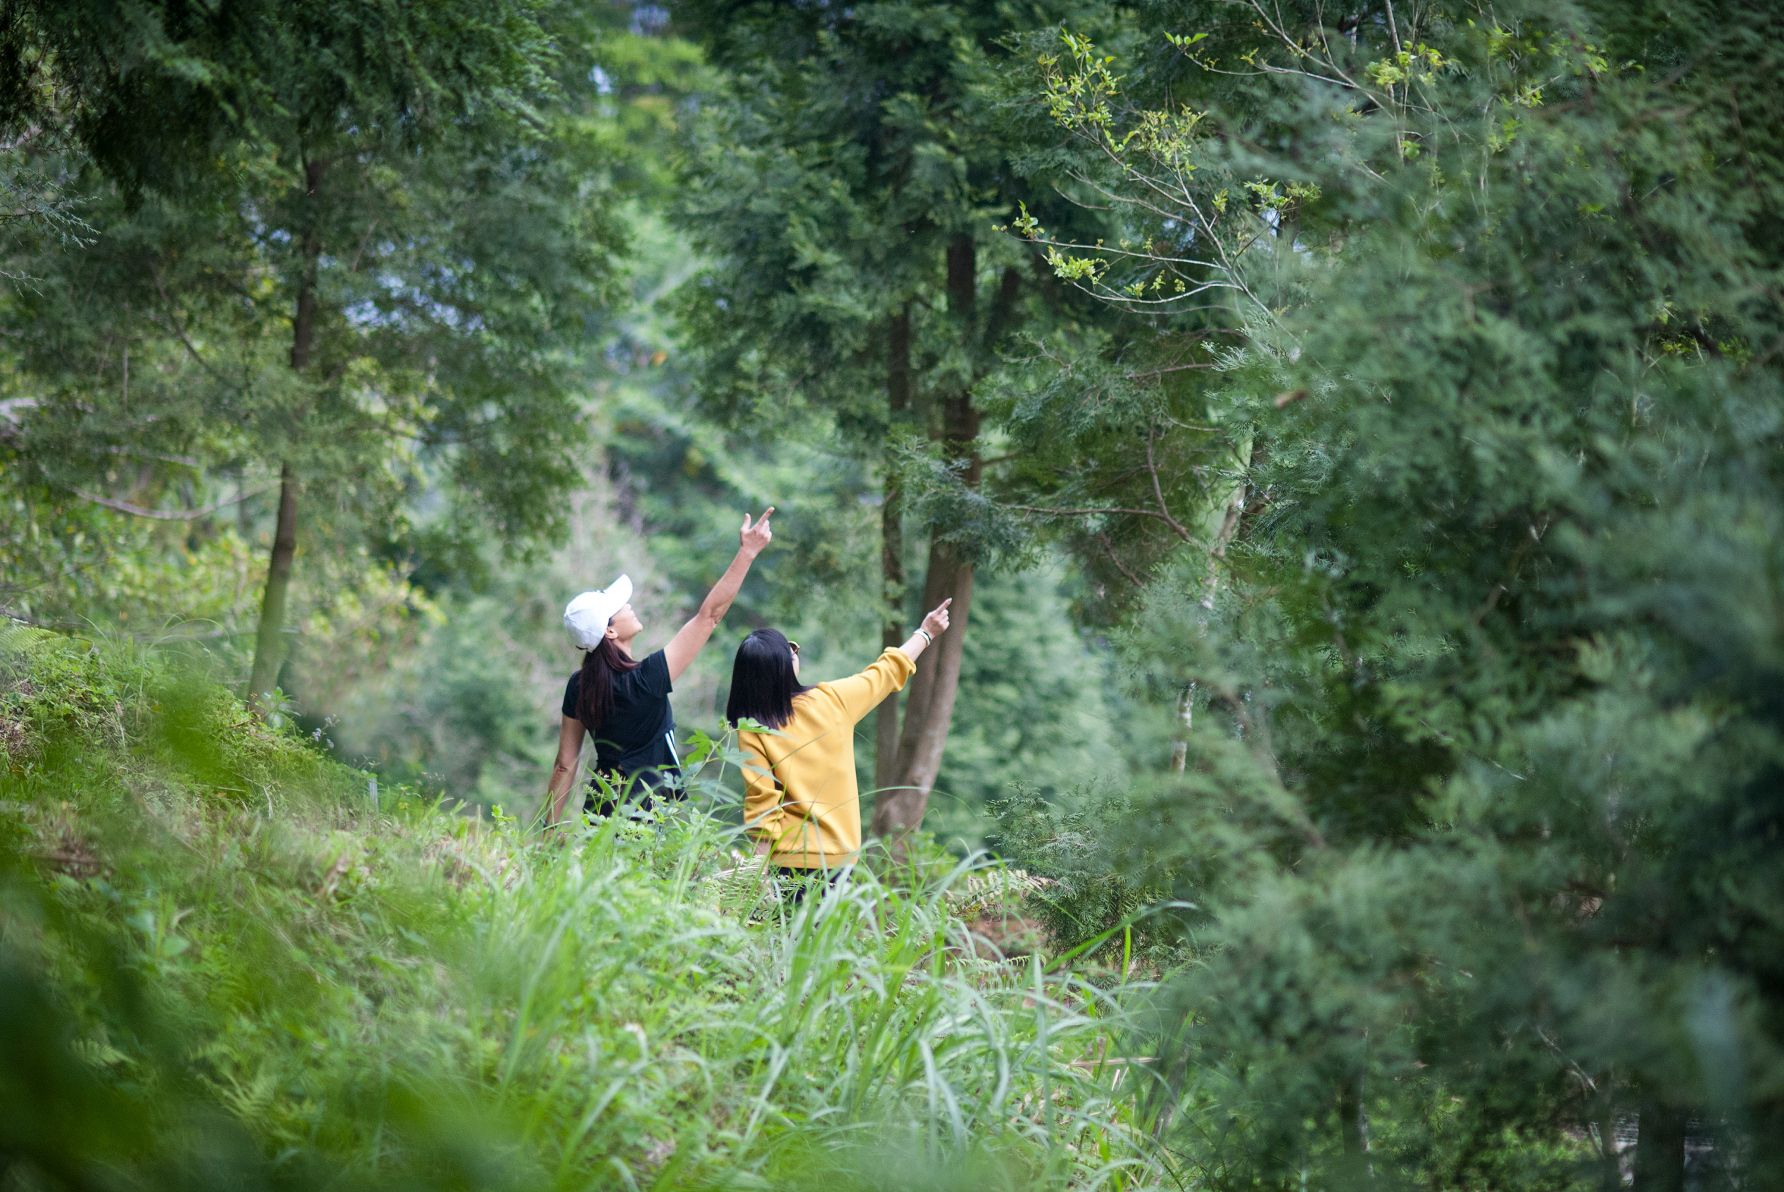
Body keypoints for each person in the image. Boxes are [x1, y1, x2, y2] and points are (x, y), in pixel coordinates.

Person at [546, 508, 775, 826]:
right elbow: (710, 616)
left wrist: (548, 833)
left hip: (600, 813)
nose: (628, 605)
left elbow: (564, 765)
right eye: (619, 607)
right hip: (649, 816)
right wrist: (747, 553)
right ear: (609, 631)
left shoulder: (579, 686)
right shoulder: (646, 679)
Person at [725, 597, 952, 888]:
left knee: (783, 935)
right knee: (822, 934)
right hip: (839, 860)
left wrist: (756, 872)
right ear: (784, 667)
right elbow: (885, 672)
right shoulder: (832, 700)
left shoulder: (752, 727)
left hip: (786, 861)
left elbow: (762, 805)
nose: (796, 653)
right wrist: (925, 633)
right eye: (791, 650)